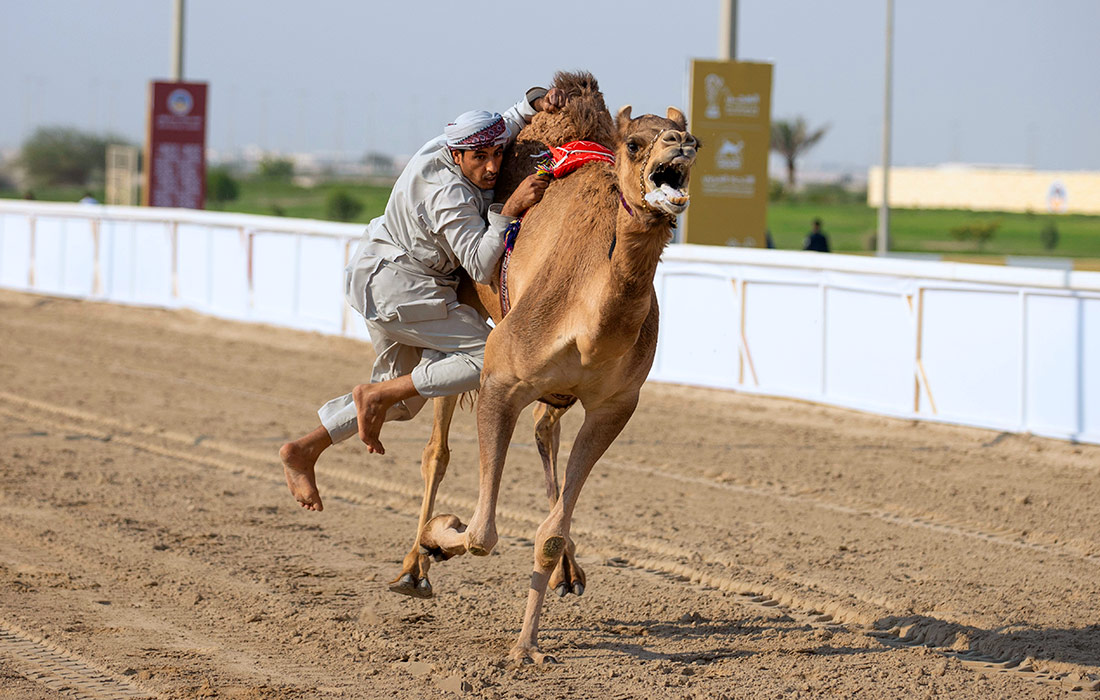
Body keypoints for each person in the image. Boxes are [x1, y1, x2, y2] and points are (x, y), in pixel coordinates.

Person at [280, 85, 566, 512]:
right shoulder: (448, 195)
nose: (492, 167)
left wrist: (536, 101)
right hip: (400, 287)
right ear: (458, 157)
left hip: (382, 279)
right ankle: (374, 395)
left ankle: (304, 448)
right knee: (490, 359)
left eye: (497, 155)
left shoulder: (449, 144)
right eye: (480, 159)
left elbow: (506, 121)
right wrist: (507, 211)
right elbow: (480, 266)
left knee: (404, 402)